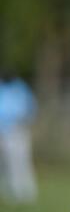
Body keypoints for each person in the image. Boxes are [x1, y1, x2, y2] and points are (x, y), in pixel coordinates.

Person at [0, 73, 38, 204]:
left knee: (20, 161)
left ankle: (25, 193)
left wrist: (24, 121)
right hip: (3, 130)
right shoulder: (3, 87)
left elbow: (30, 107)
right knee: (5, 164)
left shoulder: (20, 88)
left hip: (18, 128)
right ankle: (10, 193)